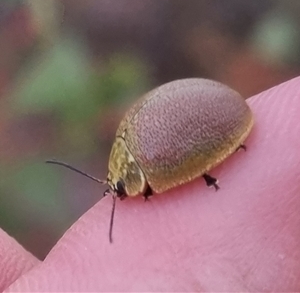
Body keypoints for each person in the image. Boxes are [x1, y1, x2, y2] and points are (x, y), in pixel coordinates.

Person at [1, 77, 300, 292]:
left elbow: (187, 163)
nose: (113, 191)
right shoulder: (131, 142)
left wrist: (205, 174)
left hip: (218, 113)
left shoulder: (154, 165)